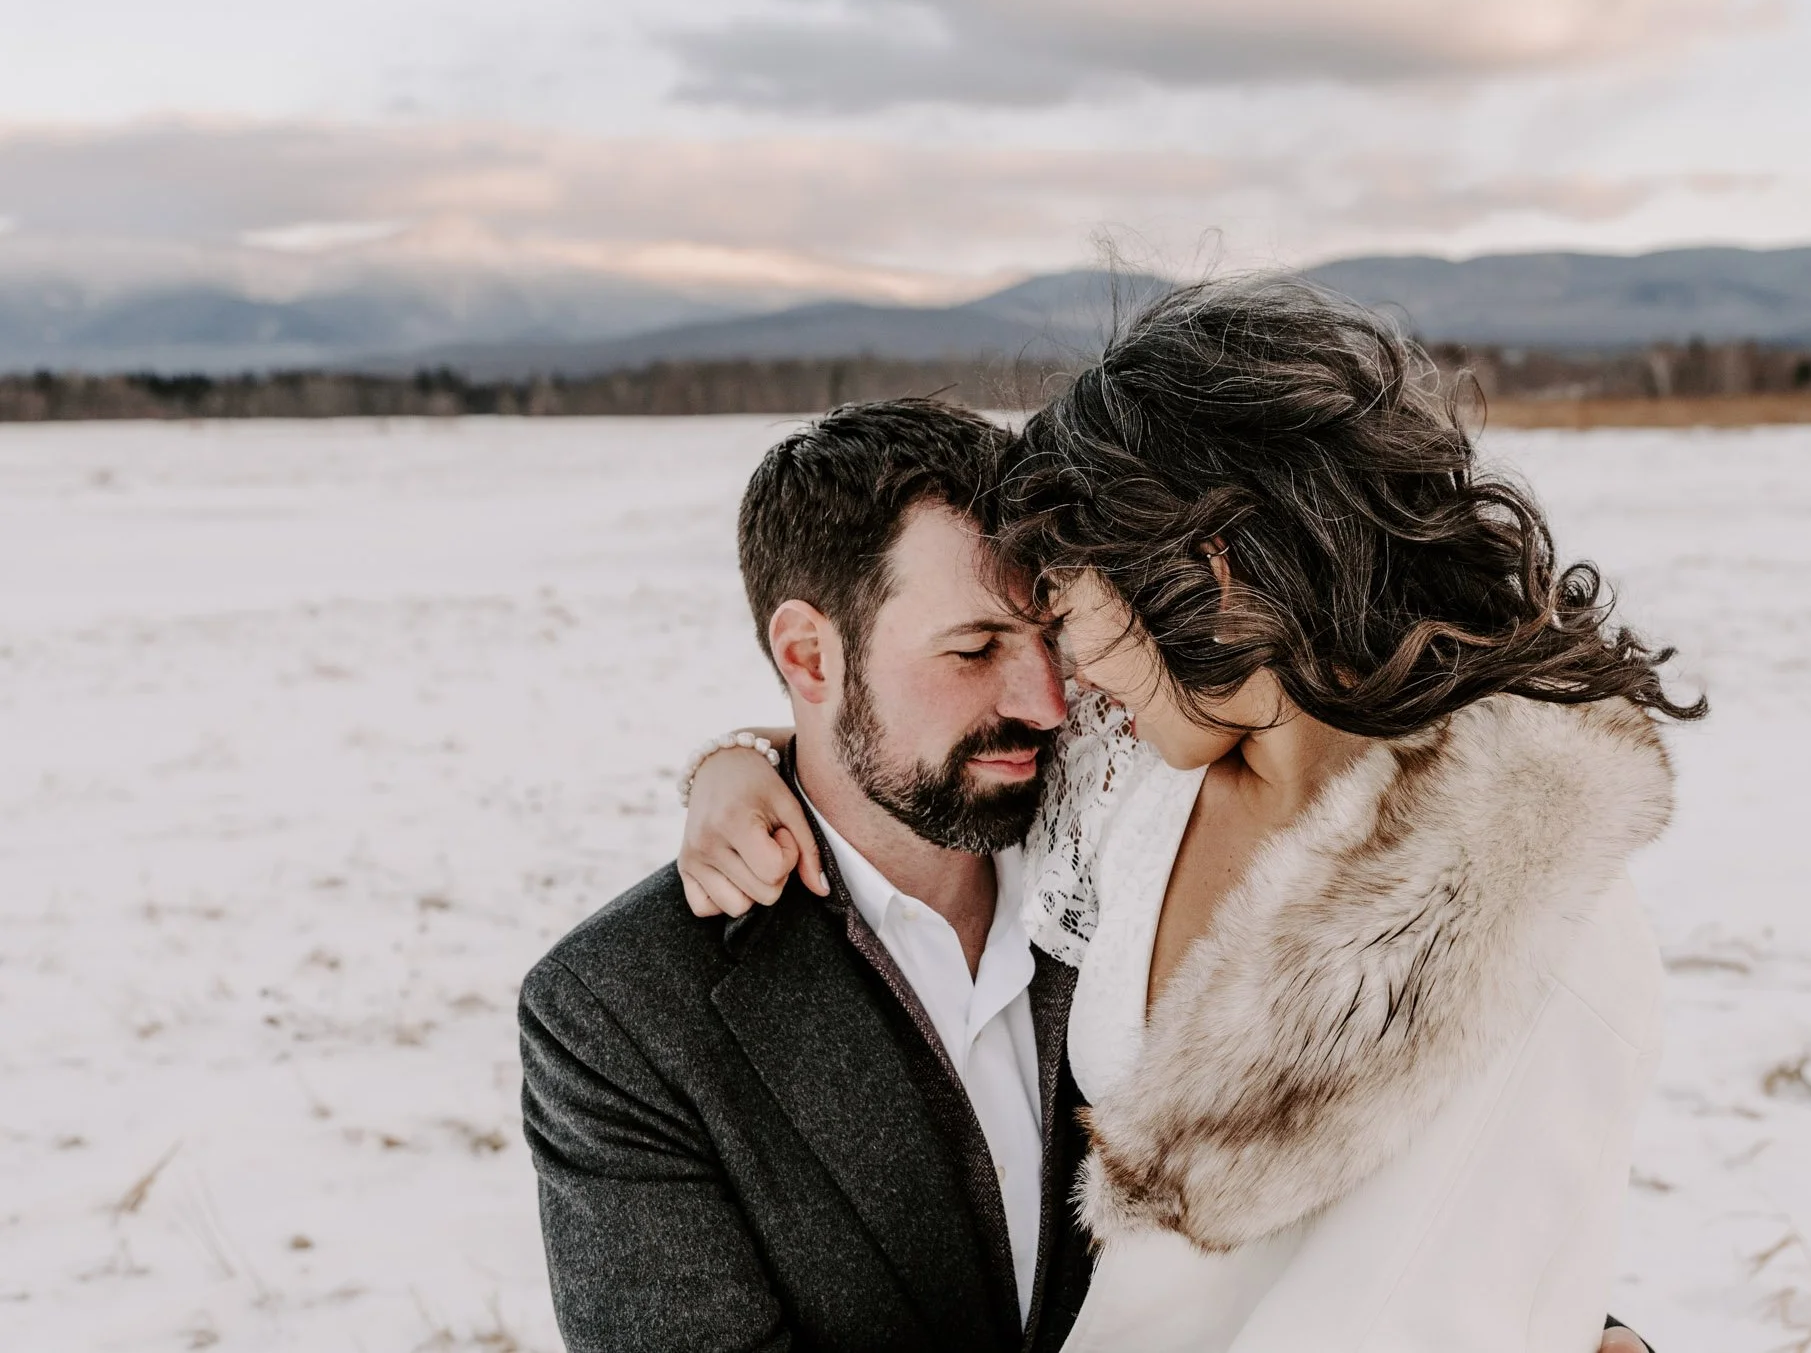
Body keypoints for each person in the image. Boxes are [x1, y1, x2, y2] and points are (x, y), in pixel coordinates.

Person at [676, 278, 1698, 1350]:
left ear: (1202, 572)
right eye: (1005, 641)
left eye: (1067, 614)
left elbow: (1448, 1286)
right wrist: (750, 757)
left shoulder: (1524, 905)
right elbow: (908, 746)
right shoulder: (1140, 778)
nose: (1060, 680)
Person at [519, 401, 1098, 1352]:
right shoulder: (620, 1011)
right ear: (808, 655)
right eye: (974, 649)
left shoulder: (1132, 850)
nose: (1046, 700)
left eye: (1056, 636)